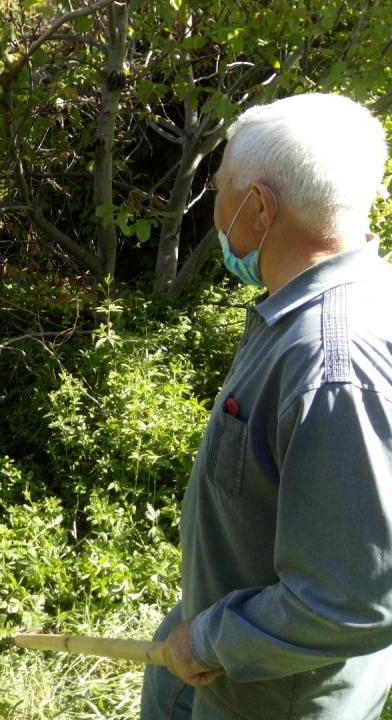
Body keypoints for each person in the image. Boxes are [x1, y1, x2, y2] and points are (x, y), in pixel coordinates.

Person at [141, 93, 392, 718]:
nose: (214, 203)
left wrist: (208, 638)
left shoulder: (334, 363)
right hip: (225, 658)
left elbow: (351, 599)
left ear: (257, 207)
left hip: (270, 695)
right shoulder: (315, 310)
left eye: (219, 187)